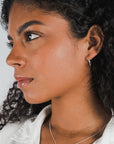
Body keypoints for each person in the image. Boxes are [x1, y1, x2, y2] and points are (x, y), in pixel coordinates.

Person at [0, 0, 114, 143]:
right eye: (12, 44)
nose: (11, 59)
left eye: (31, 36)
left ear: (91, 43)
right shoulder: (7, 137)